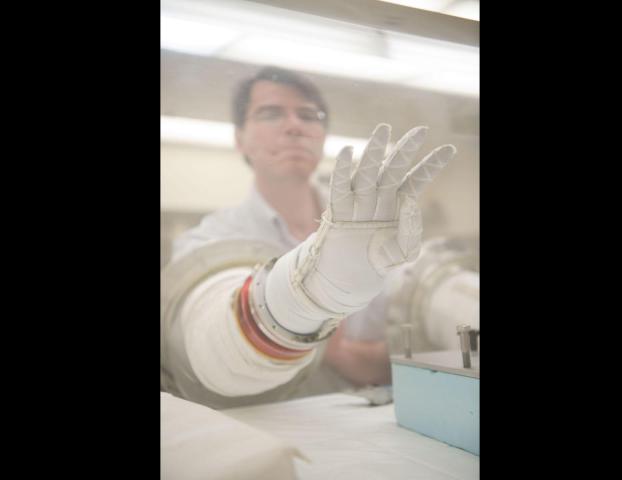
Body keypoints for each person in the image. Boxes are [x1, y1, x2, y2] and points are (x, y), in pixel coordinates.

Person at [161, 66, 455, 409]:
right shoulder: (209, 243)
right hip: (276, 443)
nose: (294, 126)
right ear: (240, 138)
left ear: (322, 136)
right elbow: (210, 347)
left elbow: (418, 349)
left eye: (309, 115)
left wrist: (341, 350)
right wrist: (309, 294)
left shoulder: (376, 231)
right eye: (270, 113)